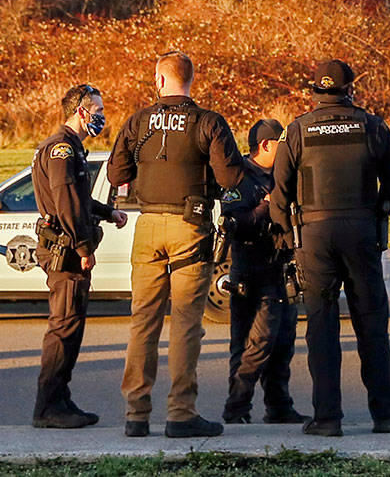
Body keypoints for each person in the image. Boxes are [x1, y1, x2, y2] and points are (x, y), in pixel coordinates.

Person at [108, 51, 246, 438]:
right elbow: (232, 177)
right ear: (191, 80)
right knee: (185, 324)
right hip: (191, 226)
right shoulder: (208, 122)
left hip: (148, 225)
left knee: (143, 323)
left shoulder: (138, 121)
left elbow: (116, 172)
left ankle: (136, 414)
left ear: (159, 80)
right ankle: (181, 413)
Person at [270, 59, 390, 437]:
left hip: (314, 236)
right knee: (372, 326)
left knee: (322, 329)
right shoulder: (374, 127)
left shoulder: (297, 130)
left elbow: (279, 195)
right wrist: (376, 213)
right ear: (351, 89)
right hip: (361, 232)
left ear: (315, 91)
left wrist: (286, 237)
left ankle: (327, 418)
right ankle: (385, 416)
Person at [31, 84, 128, 429]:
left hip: (70, 246)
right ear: (81, 111)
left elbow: (80, 197)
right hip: (67, 251)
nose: (102, 116)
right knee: (64, 327)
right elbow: (66, 202)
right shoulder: (61, 150)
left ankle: (61, 399)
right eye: (98, 110)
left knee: (71, 327)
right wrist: (84, 248)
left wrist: (106, 213)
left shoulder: (73, 149)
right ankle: (47, 408)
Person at [220, 118, 304, 425]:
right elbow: (233, 221)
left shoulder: (285, 175)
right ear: (266, 145)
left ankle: (279, 405)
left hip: (281, 266)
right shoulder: (239, 177)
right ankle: (237, 406)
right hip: (252, 269)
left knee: (283, 341)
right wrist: (266, 207)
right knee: (254, 343)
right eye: (280, 144)